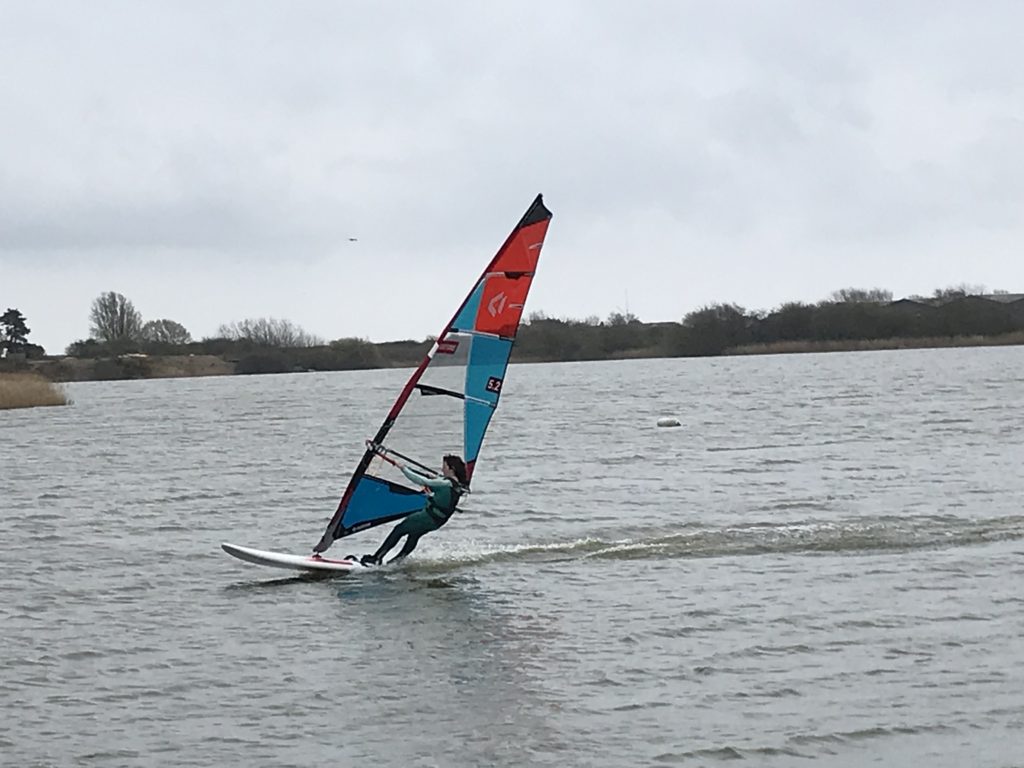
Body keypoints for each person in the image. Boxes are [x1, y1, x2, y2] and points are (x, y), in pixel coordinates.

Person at [360, 453, 468, 566]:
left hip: (428, 517)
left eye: (444, 466)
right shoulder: (457, 485)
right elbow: (441, 487)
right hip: (438, 521)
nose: (442, 468)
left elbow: (422, 481)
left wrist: (403, 468)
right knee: (413, 536)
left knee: (399, 530)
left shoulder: (445, 483)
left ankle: (377, 558)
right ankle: (396, 562)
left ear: (452, 469)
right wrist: (432, 479)